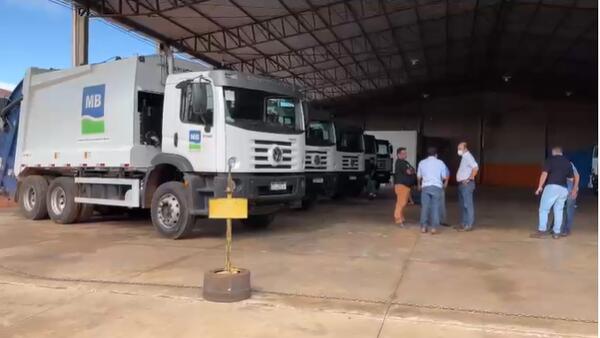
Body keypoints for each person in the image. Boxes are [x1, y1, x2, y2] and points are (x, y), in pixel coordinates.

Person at [531, 146, 574, 239]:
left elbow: (544, 174)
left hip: (552, 186)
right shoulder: (567, 162)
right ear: (561, 153)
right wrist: (569, 191)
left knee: (544, 209)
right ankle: (556, 233)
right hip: (564, 189)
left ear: (553, 153)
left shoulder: (550, 160)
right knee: (558, 210)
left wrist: (540, 187)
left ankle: (542, 231)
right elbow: (571, 179)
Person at [417, 147, 449, 234]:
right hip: (437, 187)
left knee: (425, 207)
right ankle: (434, 228)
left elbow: (419, 176)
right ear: (436, 154)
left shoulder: (422, 162)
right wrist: (444, 183)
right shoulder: (440, 162)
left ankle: (424, 227)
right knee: (435, 207)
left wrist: (419, 185)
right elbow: (444, 176)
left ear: (428, 154)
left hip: (425, 187)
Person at [456, 142, 479, 231]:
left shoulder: (468, 156)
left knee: (467, 205)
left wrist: (469, 179)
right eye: (458, 148)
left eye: (460, 149)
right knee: (463, 205)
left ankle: (469, 225)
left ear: (465, 149)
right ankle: (464, 223)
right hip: (462, 184)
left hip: (467, 185)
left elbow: (475, 167)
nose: (458, 151)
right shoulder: (464, 157)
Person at [393, 147, 416, 226]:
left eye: (406, 153)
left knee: (403, 202)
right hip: (401, 185)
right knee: (401, 203)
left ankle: (401, 217)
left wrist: (412, 170)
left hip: (405, 186)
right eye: (403, 153)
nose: (405, 154)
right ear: (399, 154)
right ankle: (398, 219)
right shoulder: (400, 162)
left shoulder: (404, 162)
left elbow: (412, 169)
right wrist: (412, 170)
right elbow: (410, 171)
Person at [561, 161, 579, 236]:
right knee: (559, 208)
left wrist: (574, 189)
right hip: (561, 188)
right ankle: (555, 228)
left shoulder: (569, 164)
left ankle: (567, 229)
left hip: (570, 188)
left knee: (569, 209)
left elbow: (577, 176)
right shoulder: (554, 163)